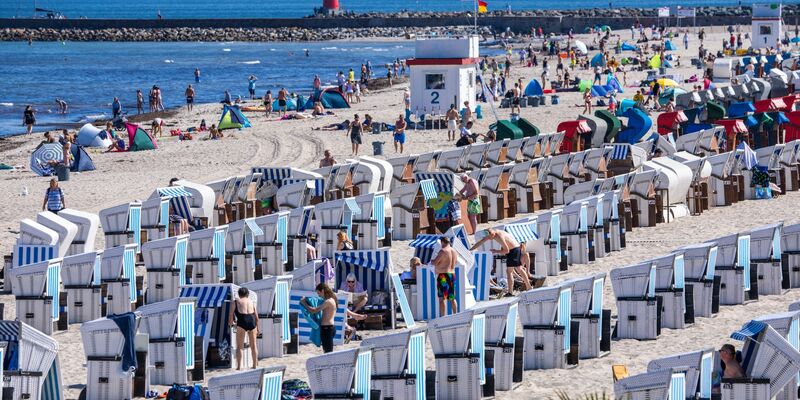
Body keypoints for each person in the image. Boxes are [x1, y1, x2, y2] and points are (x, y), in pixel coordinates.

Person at [300, 283, 338, 353]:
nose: (318, 295)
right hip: (329, 328)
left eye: (319, 293)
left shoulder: (328, 301)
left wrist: (303, 302)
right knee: (327, 351)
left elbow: (313, 311)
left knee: (328, 352)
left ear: (323, 291)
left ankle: (329, 364)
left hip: (327, 329)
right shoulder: (332, 299)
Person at [228, 287, 259, 370]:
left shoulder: (236, 301)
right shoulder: (251, 301)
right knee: (254, 346)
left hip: (242, 321)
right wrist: (258, 328)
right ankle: (255, 365)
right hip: (252, 321)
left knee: (240, 346)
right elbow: (256, 316)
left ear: (239, 294)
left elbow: (231, 314)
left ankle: (238, 367)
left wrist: (231, 323)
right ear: (247, 294)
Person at [430, 237, 458, 316]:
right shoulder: (454, 251)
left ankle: (443, 317)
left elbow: (435, 263)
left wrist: (431, 261)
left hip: (443, 276)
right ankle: (455, 315)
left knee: (442, 299)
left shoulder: (443, 251)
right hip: (452, 275)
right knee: (452, 298)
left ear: (442, 242)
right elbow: (454, 263)